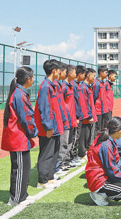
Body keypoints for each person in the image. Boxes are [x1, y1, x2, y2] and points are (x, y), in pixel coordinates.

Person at [2, 67, 38, 206]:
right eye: (33, 77)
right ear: (28, 79)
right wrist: (32, 132)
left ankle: (22, 195)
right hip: (18, 138)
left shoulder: (20, 92)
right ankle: (15, 199)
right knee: (19, 169)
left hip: (21, 138)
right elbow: (25, 118)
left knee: (25, 168)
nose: (33, 80)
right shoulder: (19, 94)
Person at [85, 117, 121, 206]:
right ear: (119, 131)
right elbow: (112, 171)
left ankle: (113, 188)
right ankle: (99, 194)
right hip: (98, 181)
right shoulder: (106, 144)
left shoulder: (105, 136)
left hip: (100, 173)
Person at [35, 59, 66, 188]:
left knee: (53, 152)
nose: (60, 73)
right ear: (54, 71)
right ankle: (42, 180)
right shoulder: (45, 86)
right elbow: (44, 108)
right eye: (59, 70)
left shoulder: (52, 85)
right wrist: (48, 126)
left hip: (55, 126)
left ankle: (50, 176)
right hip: (49, 128)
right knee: (46, 153)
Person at [62, 64, 80, 168]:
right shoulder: (64, 87)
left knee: (69, 141)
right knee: (64, 142)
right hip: (66, 119)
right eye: (74, 72)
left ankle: (67, 161)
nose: (76, 74)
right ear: (69, 74)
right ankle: (62, 163)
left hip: (71, 118)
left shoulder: (70, 86)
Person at [79, 68, 97, 160]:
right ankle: (82, 153)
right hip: (85, 117)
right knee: (83, 135)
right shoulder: (83, 87)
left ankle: (85, 151)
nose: (94, 78)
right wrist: (89, 116)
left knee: (87, 134)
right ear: (88, 76)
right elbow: (84, 103)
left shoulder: (87, 87)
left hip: (89, 116)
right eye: (93, 76)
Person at [93, 65, 109, 132]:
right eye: (106, 72)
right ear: (101, 73)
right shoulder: (96, 83)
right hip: (98, 110)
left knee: (103, 128)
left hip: (103, 110)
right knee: (98, 129)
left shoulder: (103, 83)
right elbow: (94, 96)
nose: (107, 74)